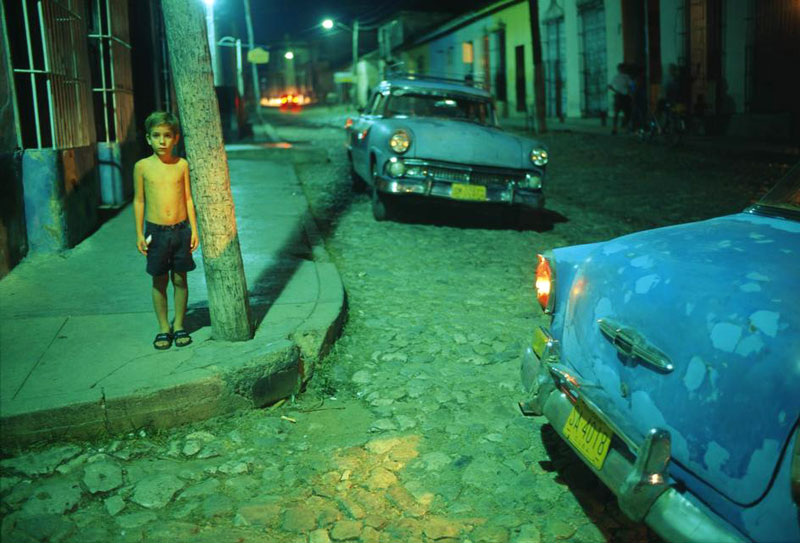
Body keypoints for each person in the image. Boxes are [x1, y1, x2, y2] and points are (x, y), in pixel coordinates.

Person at [134, 111, 199, 350]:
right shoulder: (142, 167)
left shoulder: (182, 165)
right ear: (148, 138)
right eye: (156, 135)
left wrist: (194, 230)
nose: (162, 141)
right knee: (159, 281)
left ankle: (179, 324)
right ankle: (164, 327)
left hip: (181, 230)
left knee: (180, 279)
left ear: (176, 138)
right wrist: (139, 233)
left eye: (167, 136)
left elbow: (189, 199)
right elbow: (139, 201)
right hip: (156, 232)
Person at [608, 63, 632, 134]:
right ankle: (615, 128)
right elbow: (610, 86)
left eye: (622, 68)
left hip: (625, 96)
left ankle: (627, 128)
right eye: (620, 68)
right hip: (618, 96)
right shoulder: (615, 77)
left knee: (627, 113)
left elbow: (631, 86)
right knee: (616, 113)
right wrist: (616, 91)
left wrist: (630, 93)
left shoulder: (627, 77)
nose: (621, 70)